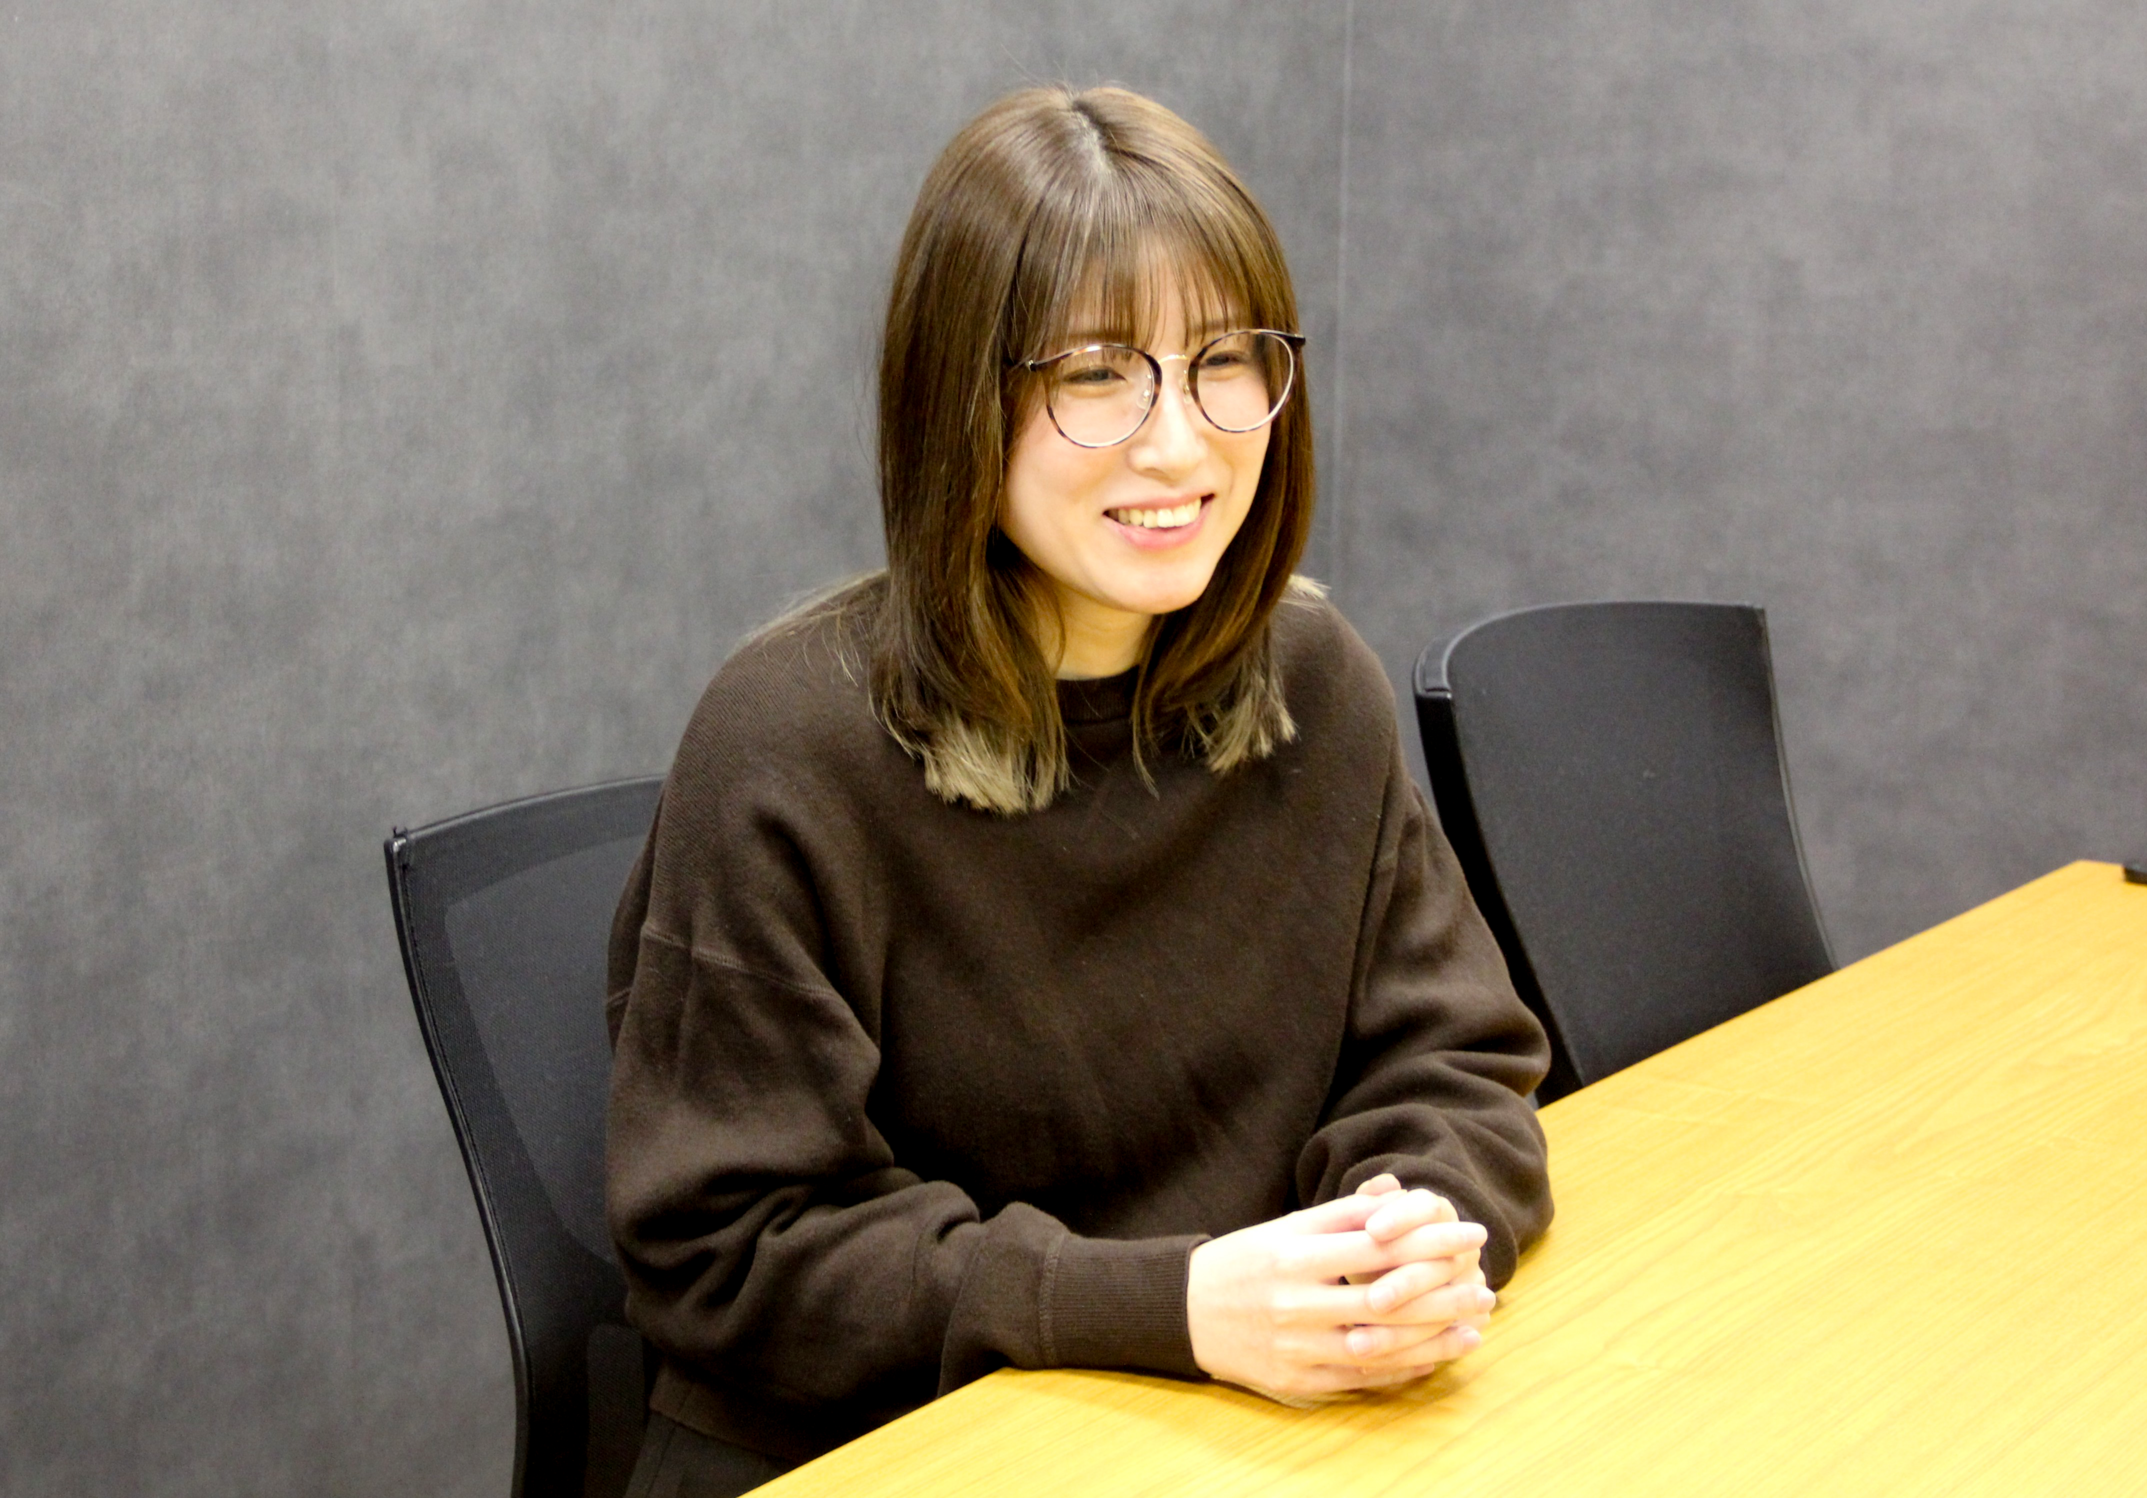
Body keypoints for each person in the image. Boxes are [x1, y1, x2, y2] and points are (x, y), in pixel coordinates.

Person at [604, 84, 1554, 1497]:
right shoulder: (787, 744)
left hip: (1220, 1439)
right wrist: (1169, 1308)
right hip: (879, 1453)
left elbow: (1457, 1057)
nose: (1179, 442)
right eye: (1098, 374)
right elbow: (730, 1251)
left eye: (1224, 359)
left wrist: (1405, 1229)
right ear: (959, 399)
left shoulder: (1310, 681)